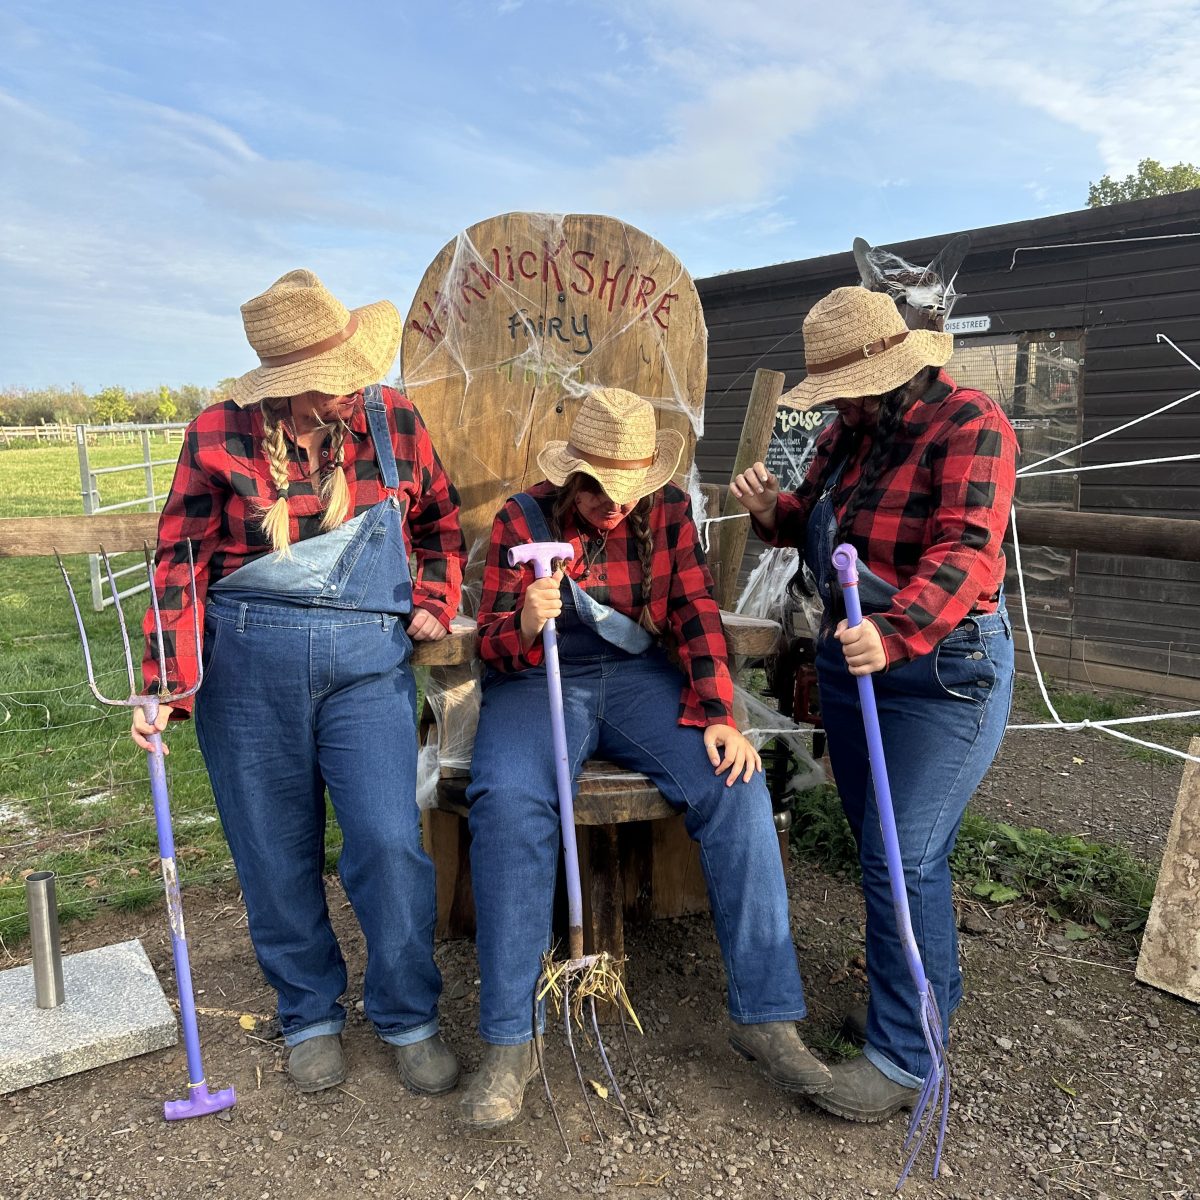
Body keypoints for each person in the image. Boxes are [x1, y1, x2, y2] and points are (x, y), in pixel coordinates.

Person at [458, 387, 832, 1129]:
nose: (617, 507)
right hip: (540, 678)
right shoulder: (519, 520)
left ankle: (766, 1016)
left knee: (736, 785)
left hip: (637, 680)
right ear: (574, 477)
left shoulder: (665, 511)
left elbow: (694, 614)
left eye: (630, 490)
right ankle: (510, 1041)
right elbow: (492, 650)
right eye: (604, 494)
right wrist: (524, 624)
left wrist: (721, 715)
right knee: (506, 803)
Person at [132, 269, 466, 1095]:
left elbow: (439, 524)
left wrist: (433, 597)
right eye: (326, 387)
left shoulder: (392, 418)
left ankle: (407, 1012)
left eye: (353, 376)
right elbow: (180, 560)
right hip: (245, 667)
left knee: (390, 841)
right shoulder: (217, 431)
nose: (346, 396)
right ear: (281, 389)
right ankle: (309, 1011)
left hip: (366, 668)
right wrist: (167, 684)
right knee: (273, 852)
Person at [730, 286, 1018, 1123]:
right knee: (877, 845)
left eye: (848, 393)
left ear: (897, 371)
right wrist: (767, 511)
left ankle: (904, 1055)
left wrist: (896, 634)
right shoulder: (845, 431)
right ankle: (920, 999)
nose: (840, 409)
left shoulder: (974, 424)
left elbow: (967, 552)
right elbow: (808, 522)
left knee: (907, 856)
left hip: (944, 672)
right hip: (856, 663)